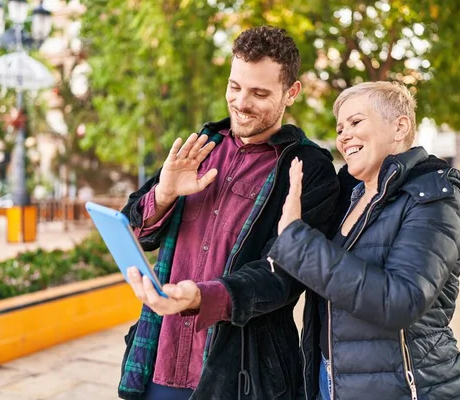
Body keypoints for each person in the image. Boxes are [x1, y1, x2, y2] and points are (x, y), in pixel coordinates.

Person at [117, 26, 340, 400]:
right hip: (161, 356)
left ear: (292, 92)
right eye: (235, 87)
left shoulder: (309, 168)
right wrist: (166, 192)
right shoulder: (201, 147)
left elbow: (283, 278)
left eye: (259, 93)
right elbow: (137, 230)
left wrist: (202, 297)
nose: (241, 102)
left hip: (242, 374)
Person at [267, 81, 460, 400]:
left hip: (409, 389)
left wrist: (299, 244)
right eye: (340, 128)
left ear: (400, 127)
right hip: (333, 382)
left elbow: (402, 299)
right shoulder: (348, 197)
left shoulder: (434, 197)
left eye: (356, 122)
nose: (344, 136)